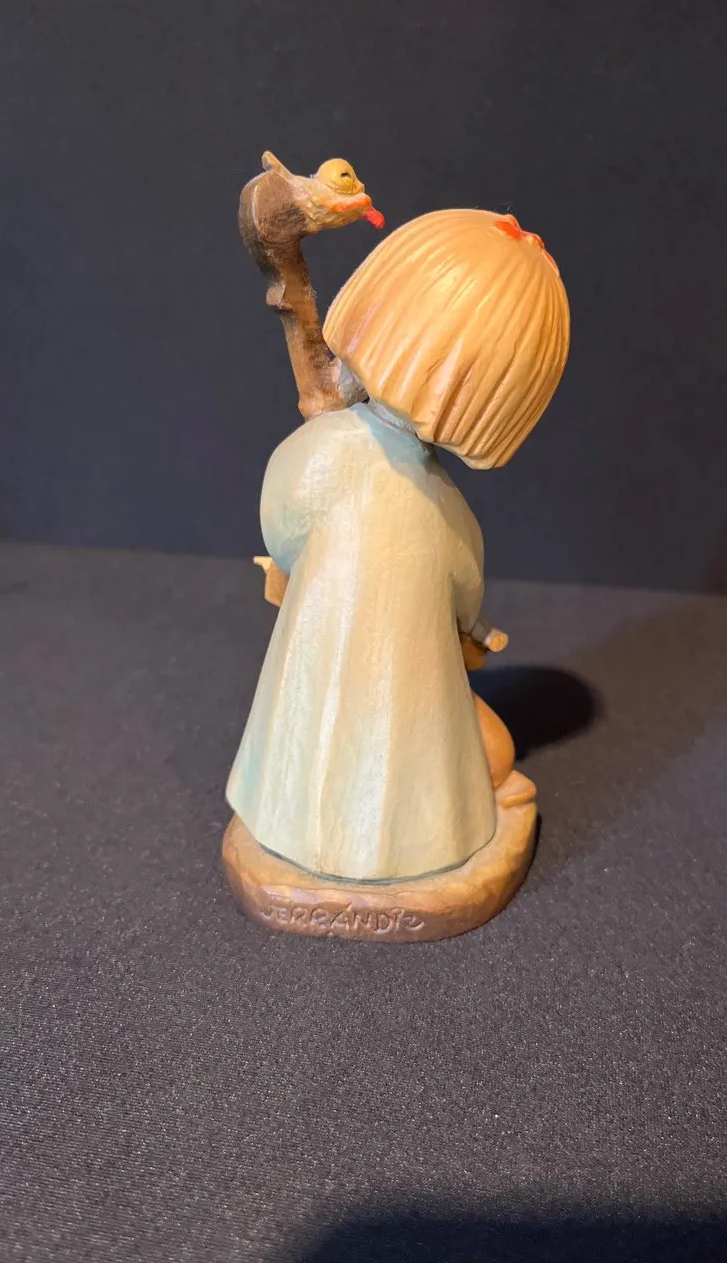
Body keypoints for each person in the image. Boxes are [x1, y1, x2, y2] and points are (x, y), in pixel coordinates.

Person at [226, 208, 570, 881]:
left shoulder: (319, 450)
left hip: (318, 672)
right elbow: (466, 591)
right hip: (418, 719)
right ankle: (428, 836)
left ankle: (295, 827)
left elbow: (281, 518)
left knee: (307, 742)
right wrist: (472, 628)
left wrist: (296, 566)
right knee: (461, 753)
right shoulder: (447, 513)